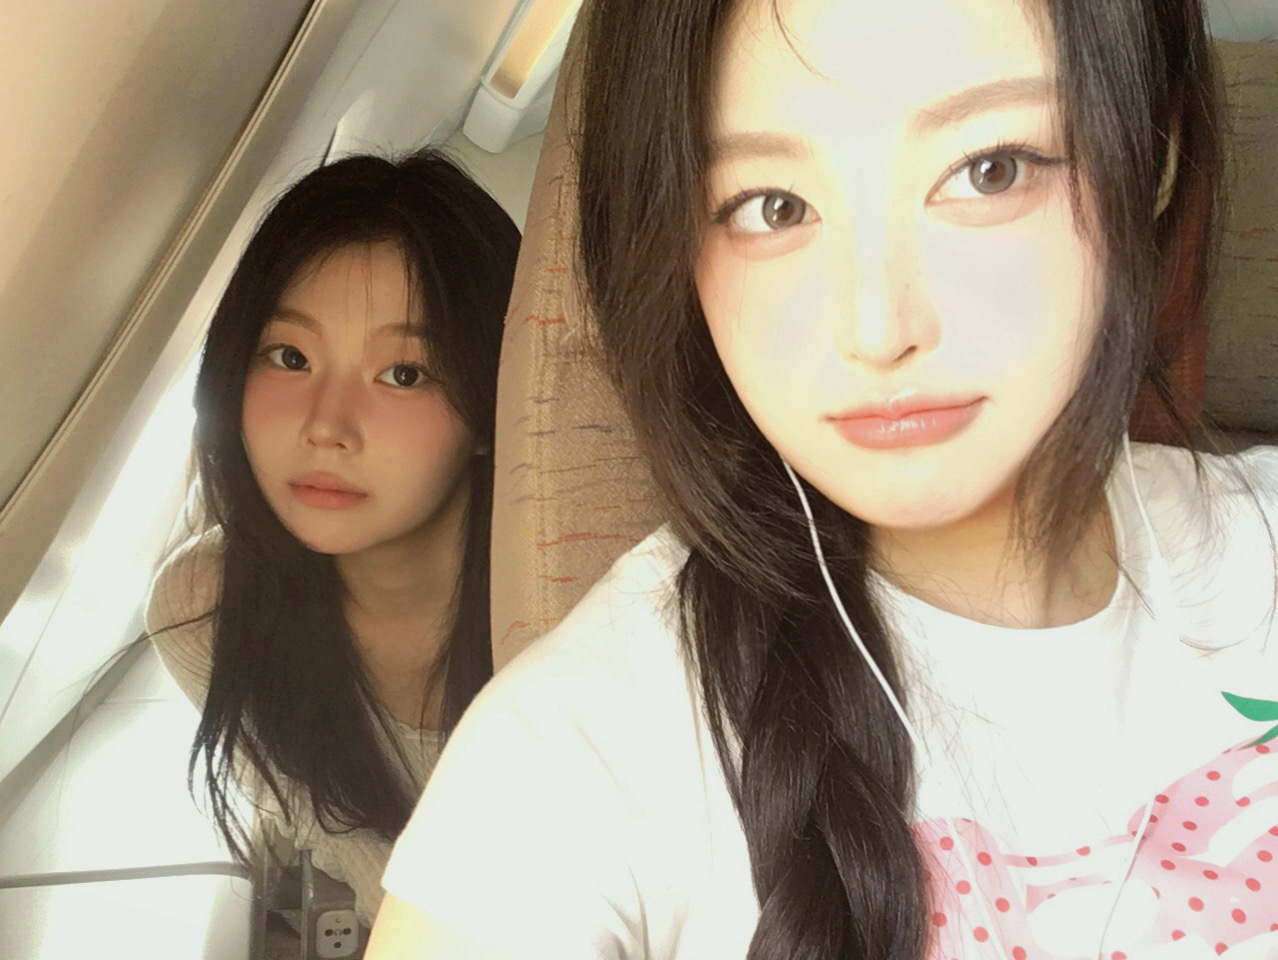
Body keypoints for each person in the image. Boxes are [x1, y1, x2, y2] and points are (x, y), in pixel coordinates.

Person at [368, 1, 1278, 957]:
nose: (877, 329)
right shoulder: (575, 756)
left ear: (1155, 159)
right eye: (772, 206)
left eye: (990, 169)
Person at [145, 149, 520, 926]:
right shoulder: (202, 610)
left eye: (404, 373)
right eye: (291, 357)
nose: (326, 426)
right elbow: (368, 866)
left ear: (492, 405)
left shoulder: (581, 599)